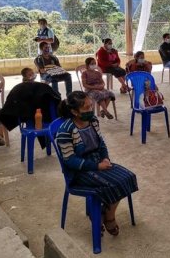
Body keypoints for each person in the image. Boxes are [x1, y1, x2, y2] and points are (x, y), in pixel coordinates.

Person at [56, 91, 138, 235]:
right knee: (113, 184)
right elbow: (70, 161)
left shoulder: (93, 121)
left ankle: (104, 212)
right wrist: (96, 166)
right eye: (86, 108)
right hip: (79, 171)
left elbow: (101, 144)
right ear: (74, 112)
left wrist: (105, 158)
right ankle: (108, 217)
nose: (90, 110)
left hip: (98, 162)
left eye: (91, 106)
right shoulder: (65, 131)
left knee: (129, 177)